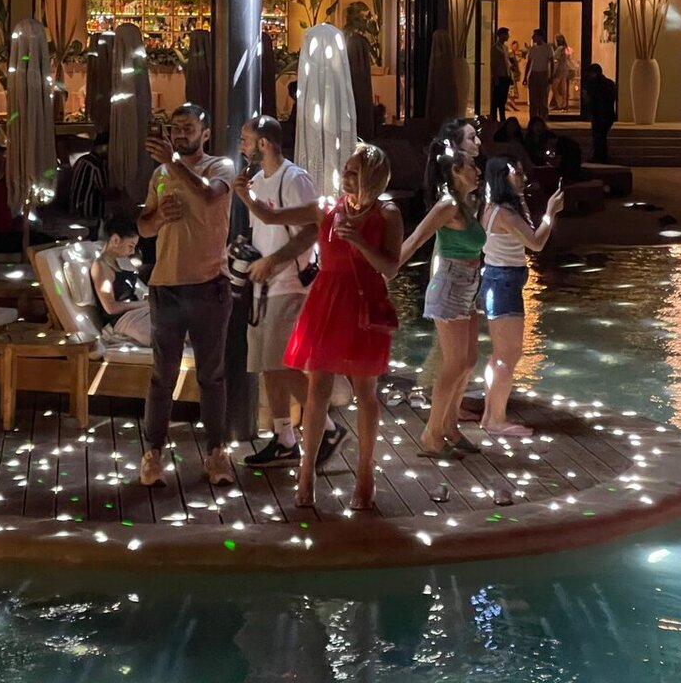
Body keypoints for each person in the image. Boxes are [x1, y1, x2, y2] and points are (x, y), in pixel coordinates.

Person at [239, 142, 402, 511]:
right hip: (327, 302)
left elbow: (391, 268)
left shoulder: (387, 213)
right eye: (346, 169)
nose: (346, 176)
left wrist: (360, 242)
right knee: (317, 388)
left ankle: (365, 473)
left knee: (366, 391)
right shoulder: (326, 208)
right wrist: (247, 197)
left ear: (372, 177)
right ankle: (306, 472)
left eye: (354, 172)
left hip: (364, 304)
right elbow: (270, 216)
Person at [233, 116, 347, 469]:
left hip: (290, 284)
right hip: (263, 286)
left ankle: (327, 428)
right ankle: (284, 437)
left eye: (246, 139)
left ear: (263, 144)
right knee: (267, 364)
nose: (241, 145)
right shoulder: (256, 181)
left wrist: (275, 261)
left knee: (280, 362)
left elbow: (313, 230)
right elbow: (264, 229)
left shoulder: (294, 179)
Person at [138, 103, 236, 488]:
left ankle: (216, 452)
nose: (180, 133)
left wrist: (174, 162)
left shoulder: (220, 167)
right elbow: (144, 228)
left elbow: (210, 196)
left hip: (209, 285)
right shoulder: (160, 174)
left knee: (211, 375)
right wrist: (160, 216)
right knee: (162, 376)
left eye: (188, 127)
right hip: (165, 288)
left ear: (205, 134)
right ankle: (153, 454)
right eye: (175, 127)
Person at [400, 142, 485, 459]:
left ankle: (450, 425)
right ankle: (432, 433)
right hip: (450, 284)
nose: (478, 171)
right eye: (472, 167)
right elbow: (415, 239)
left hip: (468, 286)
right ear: (456, 172)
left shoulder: (467, 204)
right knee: (454, 363)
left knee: (469, 359)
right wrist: (386, 271)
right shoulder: (447, 206)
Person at [478, 156, 564, 435]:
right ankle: (496, 420)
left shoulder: (493, 207)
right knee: (508, 355)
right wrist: (550, 212)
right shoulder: (504, 213)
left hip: (497, 280)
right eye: (517, 173)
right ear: (503, 177)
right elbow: (536, 243)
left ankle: (490, 415)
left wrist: (521, 198)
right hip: (503, 283)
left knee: (499, 355)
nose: (523, 177)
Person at [88, 213, 151, 346]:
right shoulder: (101, 267)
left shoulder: (121, 263)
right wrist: (145, 304)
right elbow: (110, 307)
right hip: (123, 320)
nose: (132, 251)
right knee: (169, 327)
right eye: (130, 246)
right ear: (115, 240)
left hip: (135, 312)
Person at [584, 63, 616, 163]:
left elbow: (593, 100)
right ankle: (601, 156)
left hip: (599, 114)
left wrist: (588, 100)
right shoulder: (609, 83)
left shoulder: (594, 85)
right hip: (608, 114)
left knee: (598, 136)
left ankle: (599, 156)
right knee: (602, 136)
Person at [523, 30, 554, 120]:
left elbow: (551, 62)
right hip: (534, 74)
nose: (533, 37)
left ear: (540, 37)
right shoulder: (533, 49)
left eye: (535, 35)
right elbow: (529, 63)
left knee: (543, 98)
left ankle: (543, 118)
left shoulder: (547, 48)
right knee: (533, 99)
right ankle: (533, 118)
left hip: (543, 74)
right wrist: (525, 77)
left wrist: (551, 75)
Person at [490, 27, 513, 122]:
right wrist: (495, 78)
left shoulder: (505, 48)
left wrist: (510, 75)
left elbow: (507, 63)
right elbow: (493, 64)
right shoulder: (495, 48)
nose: (508, 36)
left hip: (506, 76)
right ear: (501, 35)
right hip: (499, 76)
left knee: (503, 99)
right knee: (496, 99)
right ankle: (494, 118)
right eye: (506, 34)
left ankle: (502, 117)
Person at [550, 34, 571, 112]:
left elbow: (556, 61)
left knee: (554, 87)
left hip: (559, 70)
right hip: (564, 70)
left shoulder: (559, 49)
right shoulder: (565, 48)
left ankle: (559, 103)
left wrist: (553, 71)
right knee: (563, 88)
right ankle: (564, 104)